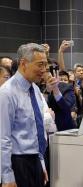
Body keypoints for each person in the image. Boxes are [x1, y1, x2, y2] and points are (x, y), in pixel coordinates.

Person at [0, 43, 48, 187]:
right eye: (40, 65)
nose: (44, 70)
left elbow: (37, 130)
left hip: (35, 161)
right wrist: (7, 175)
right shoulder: (7, 93)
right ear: (24, 63)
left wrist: (41, 164)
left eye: (45, 65)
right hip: (18, 163)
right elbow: (3, 138)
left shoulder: (35, 89)